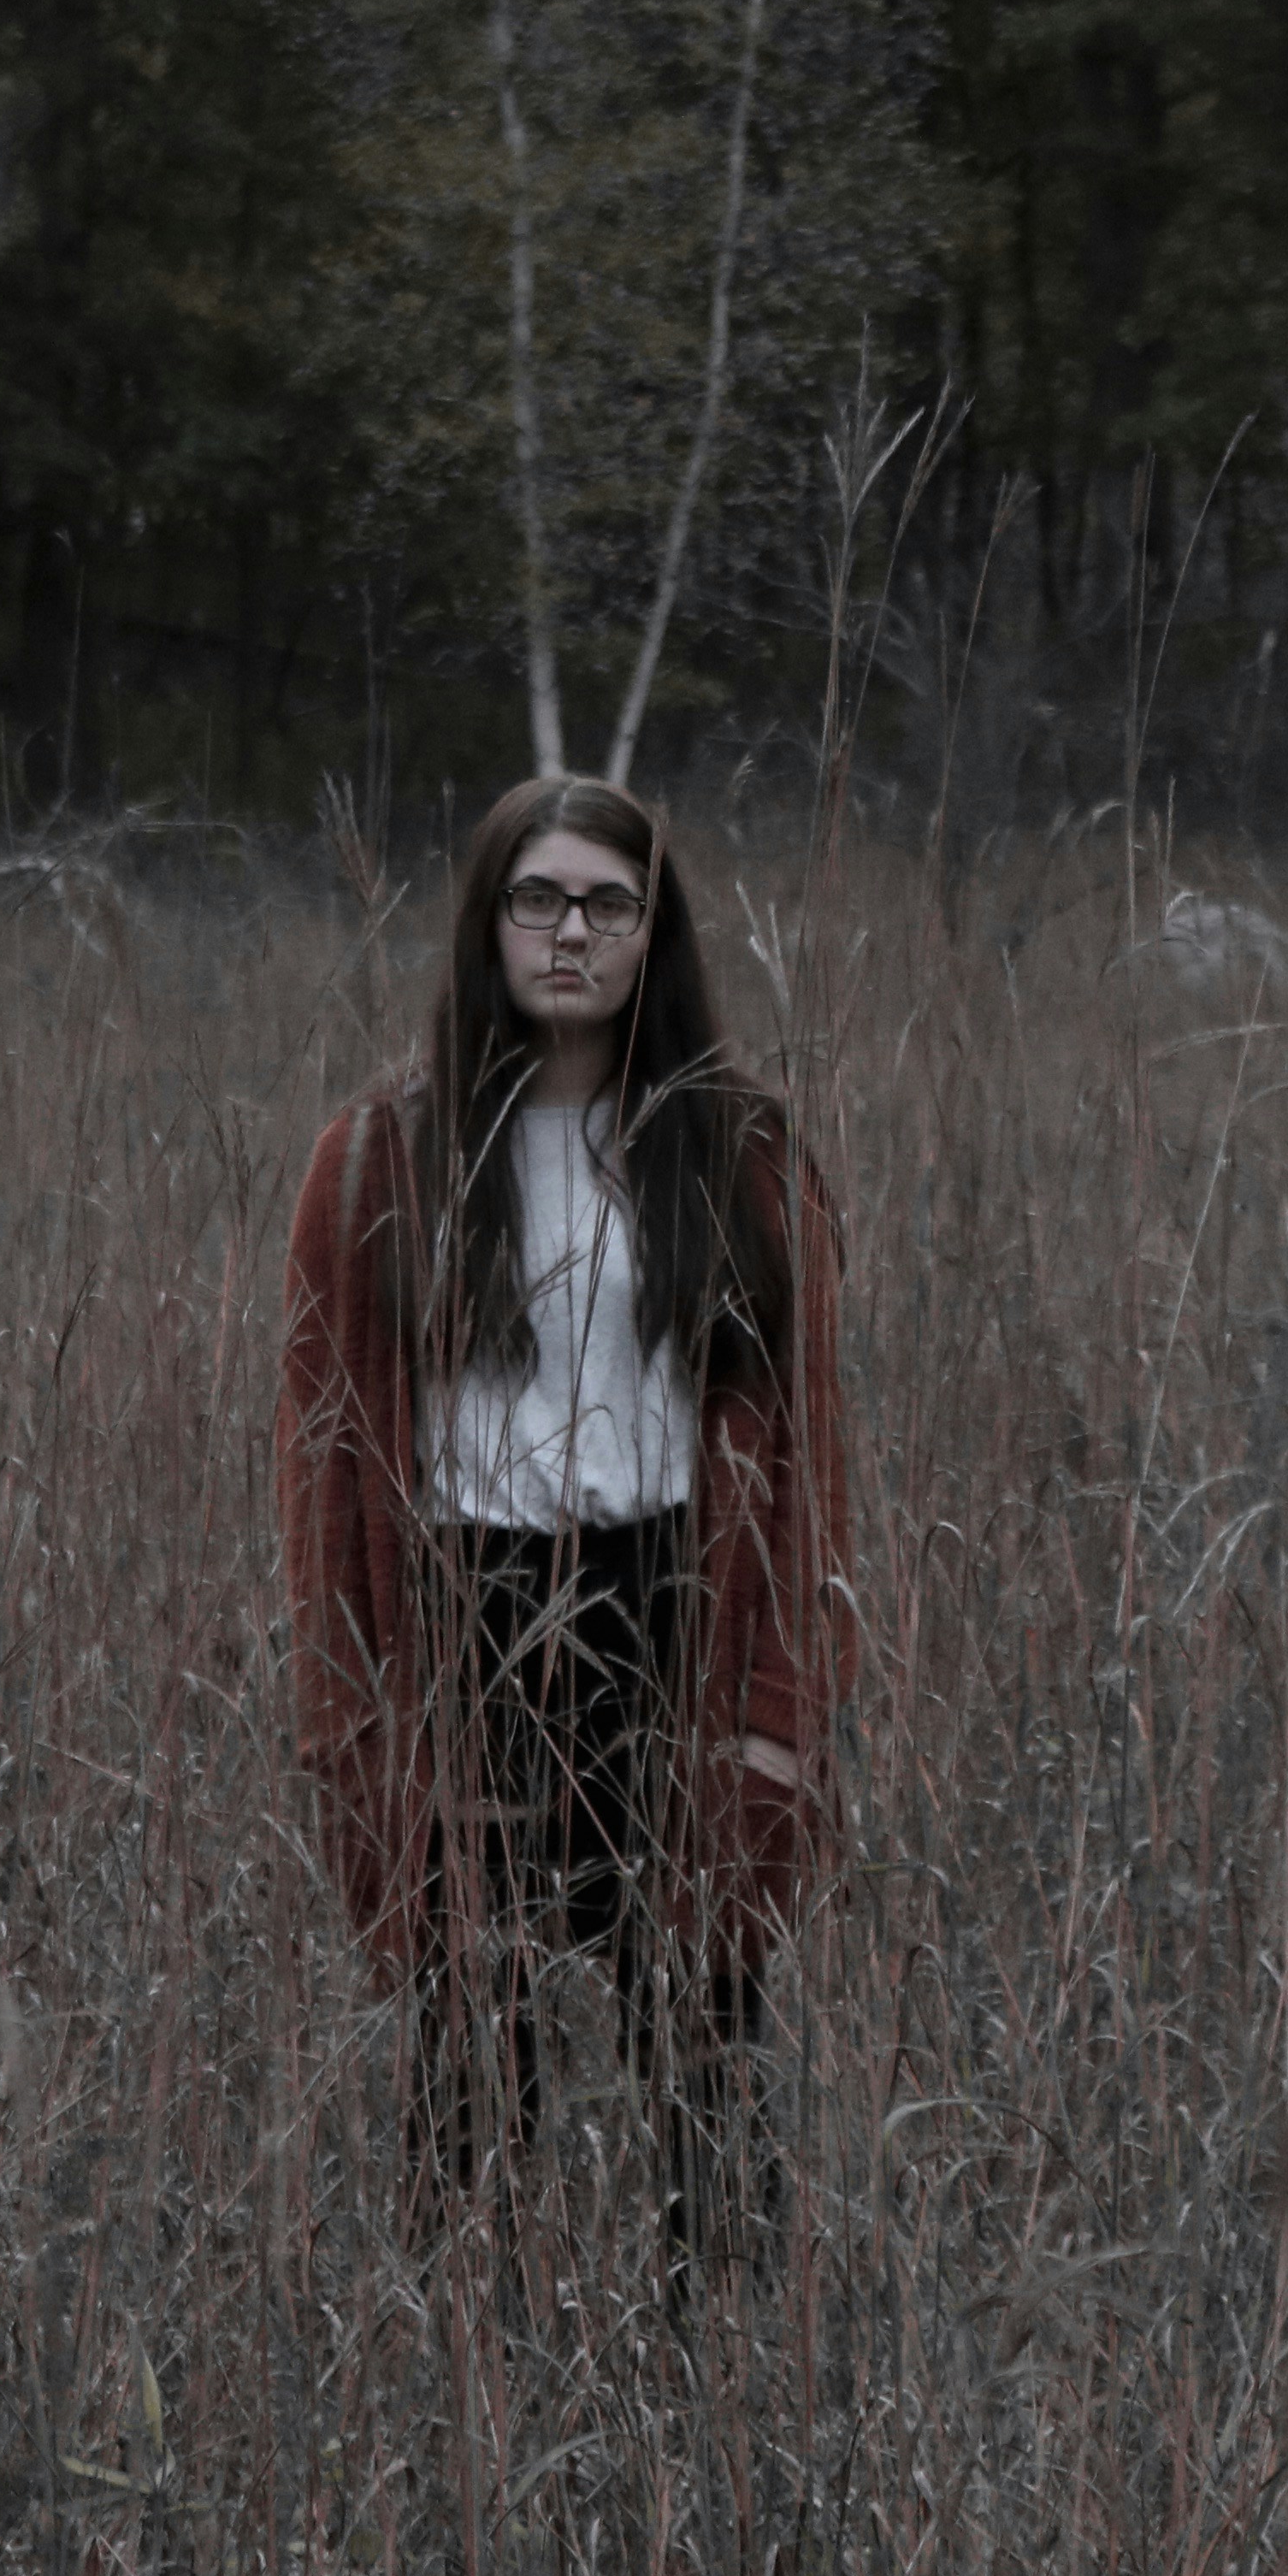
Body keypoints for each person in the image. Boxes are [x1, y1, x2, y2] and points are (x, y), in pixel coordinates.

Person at [278, 774, 855, 2270]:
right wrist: (354, 1719)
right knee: (470, 2052)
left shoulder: (741, 1155)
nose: (573, 933)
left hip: (673, 1603)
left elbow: (802, 1469)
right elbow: (323, 1468)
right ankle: (476, 2370)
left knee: (704, 2049)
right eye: (539, 899)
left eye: (610, 902)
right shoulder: (376, 1165)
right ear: (489, 925)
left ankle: (699, 2389)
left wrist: (776, 1717)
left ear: (655, 934)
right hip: (467, 1609)